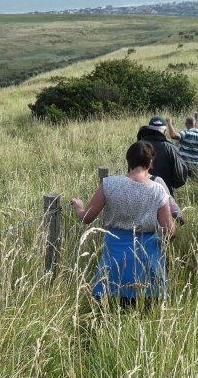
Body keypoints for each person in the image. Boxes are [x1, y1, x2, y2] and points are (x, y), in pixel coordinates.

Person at [71, 141, 176, 305]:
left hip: (115, 256)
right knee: (147, 311)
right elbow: (169, 230)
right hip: (148, 260)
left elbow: (87, 218)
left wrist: (79, 208)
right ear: (149, 163)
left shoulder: (109, 184)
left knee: (110, 309)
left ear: (129, 161)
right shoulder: (158, 190)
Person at [135, 116, 187, 192]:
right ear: (165, 131)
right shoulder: (171, 148)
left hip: (140, 192)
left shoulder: (138, 146)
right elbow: (180, 176)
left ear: (149, 129)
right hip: (164, 193)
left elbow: (131, 171)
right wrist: (170, 184)